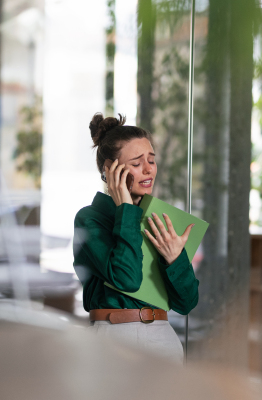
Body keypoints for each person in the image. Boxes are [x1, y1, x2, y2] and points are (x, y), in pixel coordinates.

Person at [73, 112, 199, 364]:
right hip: (113, 338)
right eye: (137, 162)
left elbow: (186, 303)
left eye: (151, 160)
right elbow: (127, 279)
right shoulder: (90, 219)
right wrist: (126, 210)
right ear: (111, 170)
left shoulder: (160, 220)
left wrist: (175, 259)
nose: (148, 169)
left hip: (163, 338)